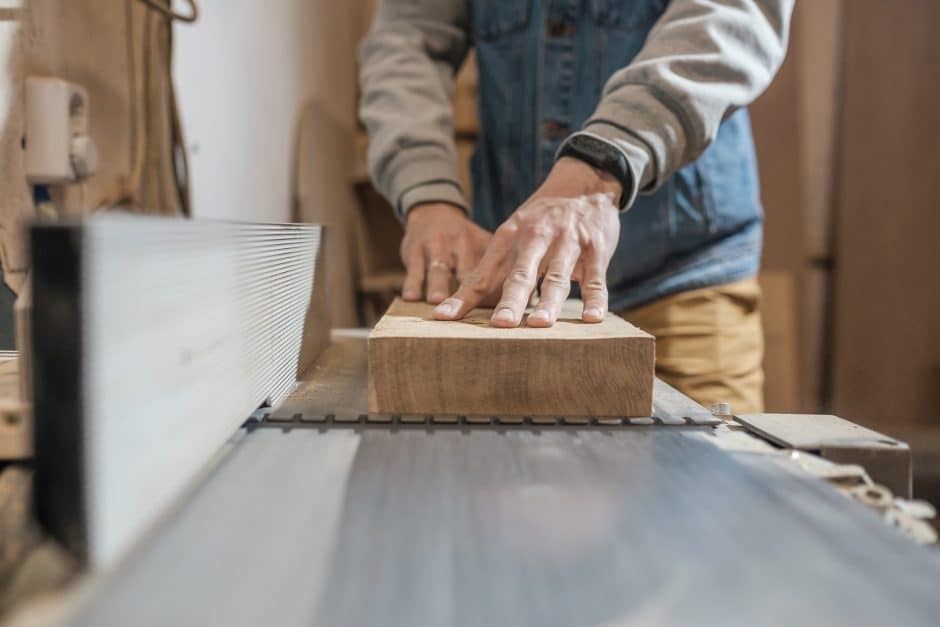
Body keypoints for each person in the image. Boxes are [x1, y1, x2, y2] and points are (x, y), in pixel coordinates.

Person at [359, 0, 794, 413]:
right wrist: (426, 193)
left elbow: (730, 20)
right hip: (510, 284)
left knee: (713, 479)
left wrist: (600, 167)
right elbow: (407, 41)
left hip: (681, 273)